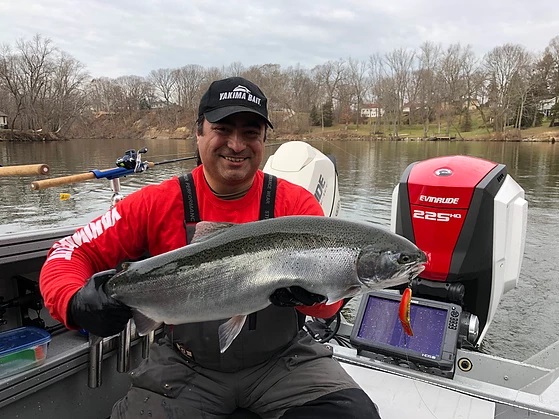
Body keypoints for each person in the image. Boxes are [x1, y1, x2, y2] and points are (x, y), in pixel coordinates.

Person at [39, 76, 381, 419]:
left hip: (281, 360)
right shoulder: (155, 203)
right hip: (186, 364)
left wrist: (317, 297)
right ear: (198, 133)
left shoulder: (296, 204)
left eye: (250, 132)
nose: (236, 144)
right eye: (222, 129)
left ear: (263, 140)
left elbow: (325, 312)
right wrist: (75, 302)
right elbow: (68, 252)